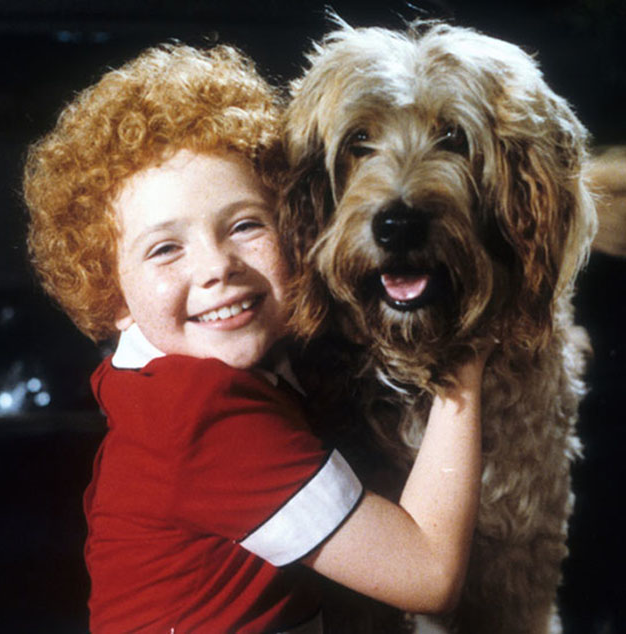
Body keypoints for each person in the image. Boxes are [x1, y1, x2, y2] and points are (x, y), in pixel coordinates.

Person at [24, 42, 487, 634]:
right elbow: (427, 575)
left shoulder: (152, 384)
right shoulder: (199, 414)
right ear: (113, 297)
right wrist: (463, 361)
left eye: (245, 225)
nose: (218, 266)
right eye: (165, 249)